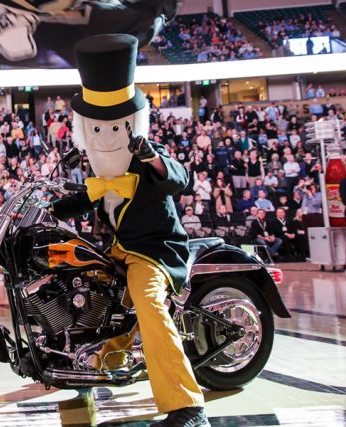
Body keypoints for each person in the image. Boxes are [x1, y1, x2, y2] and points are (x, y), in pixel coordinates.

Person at [50, 34, 206, 426]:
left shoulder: (146, 155)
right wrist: (43, 207)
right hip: (120, 248)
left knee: (148, 304)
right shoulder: (100, 170)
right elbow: (82, 198)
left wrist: (151, 156)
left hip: (154, 251)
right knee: (82, 290)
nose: (105, 136)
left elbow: (178, 179)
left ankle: (187, 406)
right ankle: (83, 365)